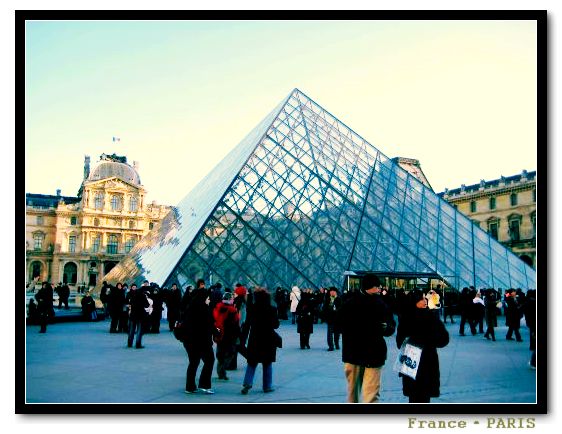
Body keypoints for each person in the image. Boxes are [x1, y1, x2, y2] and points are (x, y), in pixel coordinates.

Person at [337, 275, 396, 403]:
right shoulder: (353, 302)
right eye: (377, 286)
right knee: (362, 394)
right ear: (370, 287)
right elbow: (339, 322)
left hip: (361, 352)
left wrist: (386, 328)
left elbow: (391, 325)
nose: (379, 288)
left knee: (362, 393)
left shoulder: (351, 302)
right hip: (364, 352)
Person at [396, 289, 449, 403]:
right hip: (421, 363)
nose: (425, 301)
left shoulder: (407, 318)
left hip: (417, 363)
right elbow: (443, 339)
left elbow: (444, 339)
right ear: (413, 301)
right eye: (421, 298)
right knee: (421, 397)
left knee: (417, 397)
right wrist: (428, 340)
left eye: (425, 298)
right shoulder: (428, 317)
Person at [240, 287, 280, 395]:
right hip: (268, 339)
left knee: (252, 362)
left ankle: (247, 383)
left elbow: (247, 325)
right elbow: (276, 325)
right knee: (267, 363)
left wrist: (243, 341)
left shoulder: (252, 308)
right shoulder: (272, 309)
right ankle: (267, 386)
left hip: (254, 339)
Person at [181, 283, 216, 394]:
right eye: (208, 298)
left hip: (189, 341)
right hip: (202, 341)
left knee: (193, 363)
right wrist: (217, 332)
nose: (209, 300)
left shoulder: (190, 307)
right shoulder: (205, 310)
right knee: (209, 360)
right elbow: (209, 325)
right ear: (203, 298)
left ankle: (190, 387)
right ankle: (204, 385)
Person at [213, 292, 241, 380]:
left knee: (220, 354)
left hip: (220, 334)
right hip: (230, 335)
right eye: (232, 298)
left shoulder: (218, 307)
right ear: (229, 299)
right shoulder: (232, 310)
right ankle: (223, 369)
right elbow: (235, 324)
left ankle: (221, 373)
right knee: (231, 352)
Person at [126, 283, 149, 348]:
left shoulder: (133, 296)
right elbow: (147, 305)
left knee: (131, 330)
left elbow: (130, 304)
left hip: (133, 315)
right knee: (139, 330)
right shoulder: (143, 296)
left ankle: (129, 343)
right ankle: (138, 344)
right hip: (140, 315)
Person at [523, 289, 536, 368]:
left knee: (532, 334)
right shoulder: (533, 302)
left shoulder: (527, 302)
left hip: (530, 322)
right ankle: (533, 362)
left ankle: (532, 345)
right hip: (534, 322)